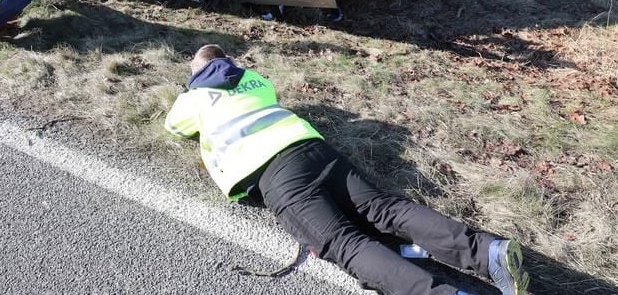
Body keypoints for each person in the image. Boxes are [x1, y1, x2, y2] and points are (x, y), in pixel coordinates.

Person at [164, 45, 530, 295]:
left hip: (272, 173)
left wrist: (192, 86)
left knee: (345, 244)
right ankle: (489, 252)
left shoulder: (194, 98)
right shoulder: (254, 80)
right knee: (385, 208)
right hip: (311, 146)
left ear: (196, 72)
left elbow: (175, 127)